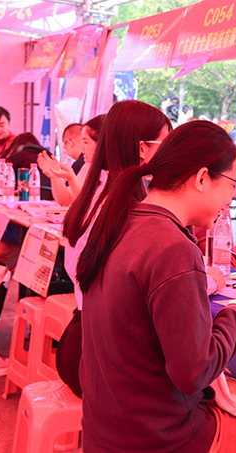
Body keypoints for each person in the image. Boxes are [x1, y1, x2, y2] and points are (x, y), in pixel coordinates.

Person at [77, 120, 236, 452]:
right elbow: (193, 373)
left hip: (104, 431)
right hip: (157, 439)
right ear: (202, 178)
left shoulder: (122, 222)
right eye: (232, 184)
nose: (232, 198)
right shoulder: (172, 247)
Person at [56, 102, 171, 397]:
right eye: (167, 143)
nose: (172, 152)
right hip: (102, 361)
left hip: (81, 341)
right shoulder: (130, 210)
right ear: (143, 149)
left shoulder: (96, 193)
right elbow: (155, 286)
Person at [38, 115, 106, 206]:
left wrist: (70, 177)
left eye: (85, 142)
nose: (82, 147)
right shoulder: (88, 166)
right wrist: (55, 174)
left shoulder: (114, 175)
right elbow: (67, 200)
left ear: (100, 143)